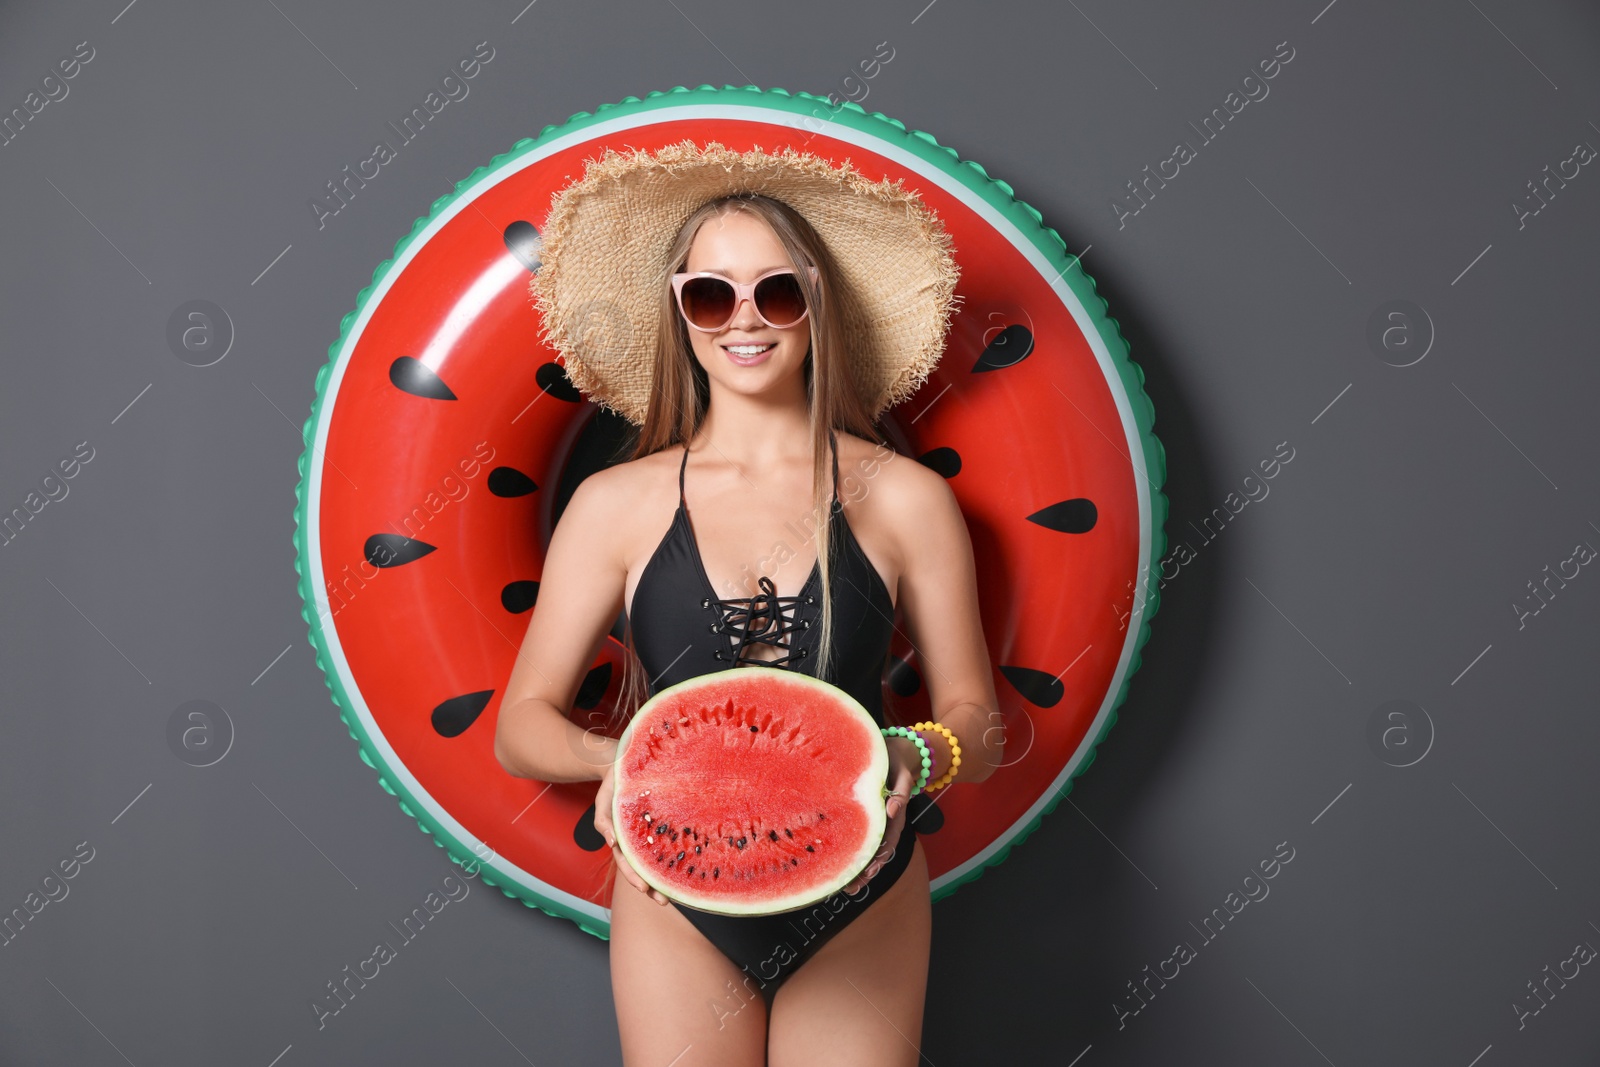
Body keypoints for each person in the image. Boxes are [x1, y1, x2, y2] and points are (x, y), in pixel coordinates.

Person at [495, 140, 1003, 1067]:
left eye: (777, 292)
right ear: (680, 311)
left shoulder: (905, 498)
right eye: (710, 294)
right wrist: (628, 762)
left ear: (818, 306)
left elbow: (987, 725)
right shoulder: (617, 503)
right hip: (671, 902)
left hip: (865, 895)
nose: (745, 321)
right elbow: (519, 724)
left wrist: (917, 750)